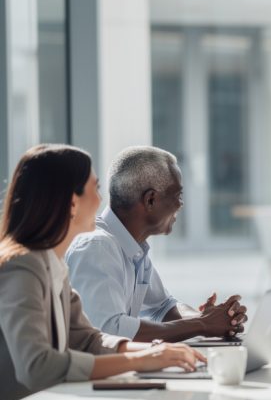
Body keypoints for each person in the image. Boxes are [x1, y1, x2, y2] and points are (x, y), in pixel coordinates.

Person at [0, 145, 204, 400]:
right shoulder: (23, 268)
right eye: (95, 189)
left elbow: (89, 339)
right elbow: (37, 366)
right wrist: (141, 360)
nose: (101, 200)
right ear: (72, 204)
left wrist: (156, 352)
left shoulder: (53, 267)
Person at [66, 146, 247, 342]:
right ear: (150, 199)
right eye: (178, 195)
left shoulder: (134, 249)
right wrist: (202, 325)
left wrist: (208, 319)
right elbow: (109, 330)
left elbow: (162, 307)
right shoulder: (98, 247)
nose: (181, 205)